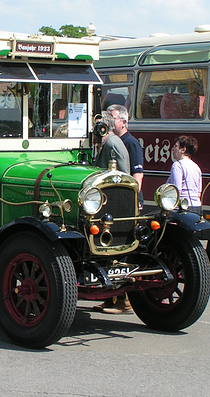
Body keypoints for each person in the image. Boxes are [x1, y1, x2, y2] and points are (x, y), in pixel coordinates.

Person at [92, 111, 132, 314]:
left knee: (114, 253)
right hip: (107, 202)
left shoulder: (111, 144)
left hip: (113, 204)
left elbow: (120, 175)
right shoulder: (109, 143)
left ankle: (122, 301)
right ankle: (110, 299)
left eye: (98, 126)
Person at [108, 104, 144, 210]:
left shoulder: (131, 143)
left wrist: (133, 196)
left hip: (128, 197)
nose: (109, 122)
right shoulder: (112, 141)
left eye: (113, 119)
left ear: (123, 122)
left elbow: (137, 173)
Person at [167, 135, 202, 213]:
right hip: (196, 206)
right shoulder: (196, 167)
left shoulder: (177, 165)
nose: (172, 149)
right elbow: (198, 193)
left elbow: (176, 191)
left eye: (176, 146)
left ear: (183, 150)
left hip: (182, 207)